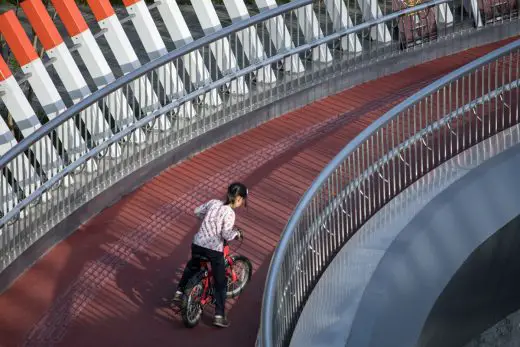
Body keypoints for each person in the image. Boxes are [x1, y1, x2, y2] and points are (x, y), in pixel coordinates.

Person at [173, 182, 248, 328]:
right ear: (238, 198)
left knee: (192, 266)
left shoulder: (213, 203)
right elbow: (225, 233)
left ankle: (179, 292)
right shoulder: (230, 213)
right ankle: (219, 315)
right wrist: (236, 234)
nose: (242, 202)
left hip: (197, 244)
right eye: (243, 200)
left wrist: (208, 221)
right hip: (213, 250)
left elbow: (197, 211)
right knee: (220, 283)